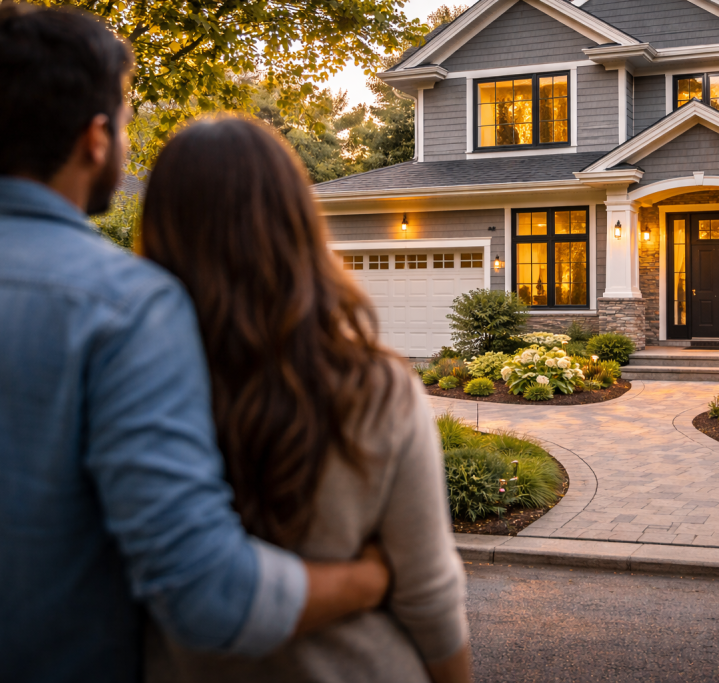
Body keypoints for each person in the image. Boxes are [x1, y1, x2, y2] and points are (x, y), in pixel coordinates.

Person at [0, 5, 390, 682]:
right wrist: (368, 580)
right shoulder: (126, 306)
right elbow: (206, 593)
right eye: (124, 116)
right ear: (95, 138)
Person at [139, 114, 472, 683]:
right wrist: (367, 581)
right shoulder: (377, 386)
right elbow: (430, 593)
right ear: (298, 224)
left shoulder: (132, 386)